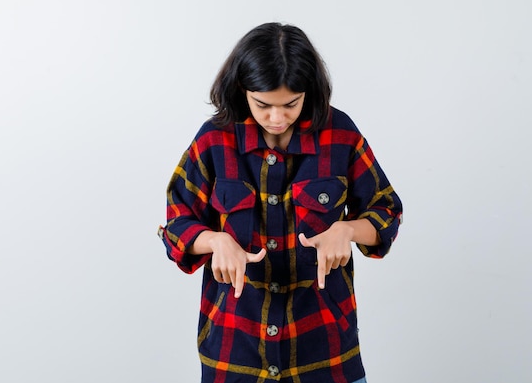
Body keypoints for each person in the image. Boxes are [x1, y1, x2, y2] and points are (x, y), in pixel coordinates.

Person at [158, 22, 403, 383]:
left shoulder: (341, 133)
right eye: (263, 104)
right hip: (235, 351)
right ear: (242, 90)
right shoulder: (213, 140)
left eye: (290, 104)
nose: (277, 118)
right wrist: (215, 240)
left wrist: (347, 230)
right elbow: (177, 223)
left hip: (325, 351)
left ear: (309, 91)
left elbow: (387, 210)